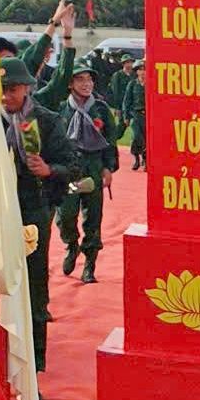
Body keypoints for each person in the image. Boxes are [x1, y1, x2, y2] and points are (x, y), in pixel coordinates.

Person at [0, 57, 76, 370]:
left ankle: (34, 359)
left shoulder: (47, 120)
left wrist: (48, 169)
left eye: (12, 89)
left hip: (34, 211)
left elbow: (73, 165)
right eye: (1, 89)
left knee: (33, 283)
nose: (6, 96)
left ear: (27, 88)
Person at [52, 60, 120, 285]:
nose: (86, 84)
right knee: (66, 214)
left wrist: (108, 167)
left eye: (89, 79)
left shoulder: (100, 109)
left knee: (93, 216)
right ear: (70, 83)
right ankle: (71, 245)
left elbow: (110, 139)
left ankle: (90, 263)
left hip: (93, 168)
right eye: (80, 79)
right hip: (70, 171)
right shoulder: (61, 108)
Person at [123, 61, 148, 172]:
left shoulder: (152, 83)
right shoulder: (133, 84)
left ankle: (145, 159)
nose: (143, 72)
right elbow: (126, 101)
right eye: (140, 70)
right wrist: (126, 116)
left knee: (147, 139)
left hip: (148, 115)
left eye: (144, 69)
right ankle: (136, 159)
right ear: (137, 72)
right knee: (136, 137)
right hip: (135, 115)